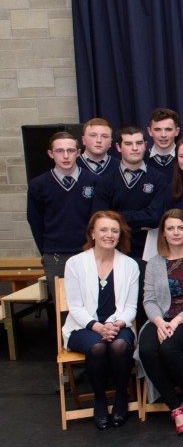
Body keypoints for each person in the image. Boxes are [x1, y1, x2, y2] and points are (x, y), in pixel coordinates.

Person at [62, 211, 139, 430]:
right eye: (103, 230)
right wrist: (97, 327)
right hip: (84, 326)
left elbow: (131, 307)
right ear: (92, 233)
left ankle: (121, 398)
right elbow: (75, 307)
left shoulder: (129, 265)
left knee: (120, 345)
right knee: (97, 347)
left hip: (118, 324)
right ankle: (100, 400)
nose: (109, 235)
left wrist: (116, 325)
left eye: (114, 230)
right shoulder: (75, 263)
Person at [139, 209, 183, 434]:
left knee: (169, 348)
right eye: (170, 228)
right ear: (163, 233)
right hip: (161, 318)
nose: (176, 232)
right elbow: (149, 300)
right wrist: (161, 323)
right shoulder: (153, 263)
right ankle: (176, 407)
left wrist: (177, 321)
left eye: (180, 228)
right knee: (148, 350)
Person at [28, 131, 101, 314]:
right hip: (56, 256)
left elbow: (99, 219)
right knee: (65, 309)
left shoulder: (94, 181)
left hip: (89, 252)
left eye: (70, 150)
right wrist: (48, 249)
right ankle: (68, 343)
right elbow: (35, 220)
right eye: (60, 151)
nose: (66, 156)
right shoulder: (39, 184)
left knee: (94, 304)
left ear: (78, 152)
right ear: (51, 154)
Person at [92, 125, 169, 259]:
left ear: (145, 145)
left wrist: (116, 217)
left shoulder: (159, 178)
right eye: (128, 144)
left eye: (139, 143)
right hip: (115, 251)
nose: (134, 148)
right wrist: (142, 220)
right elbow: (100, 219)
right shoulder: (106, 182)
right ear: (118, 147)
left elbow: (155, 217)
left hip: (151, 252)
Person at [144, 108, 180, 180]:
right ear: (150, 131)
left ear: (177, 131)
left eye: (168, 129)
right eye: (157, 129)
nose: (163, 135)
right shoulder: (141, 159)